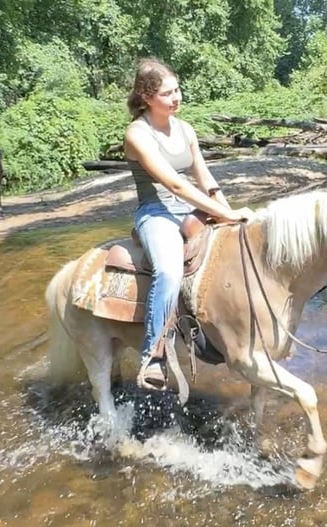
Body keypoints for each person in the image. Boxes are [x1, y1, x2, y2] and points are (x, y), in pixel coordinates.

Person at [123, 57, 254, 387]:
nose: (176, 97)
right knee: (169, 269)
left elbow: (203, 176)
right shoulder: (137, 134)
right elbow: (175, 185)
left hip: (191, 207)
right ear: (146, 96)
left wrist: (229, 210)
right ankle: (153, 355)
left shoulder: (185, 129)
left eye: (178, 89)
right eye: (168, 93)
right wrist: (222, 213)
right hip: (157, 212)